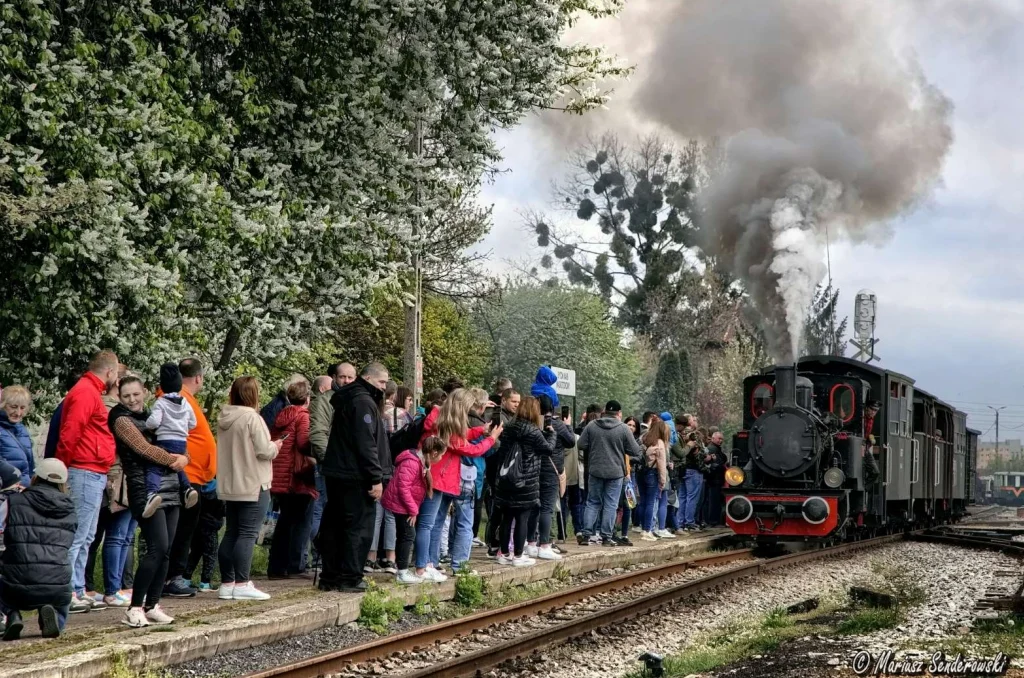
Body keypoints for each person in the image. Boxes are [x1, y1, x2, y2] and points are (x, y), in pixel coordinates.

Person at [110, 376, 189, 628]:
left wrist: (185, 458)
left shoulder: (154, 414)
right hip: (143, 488)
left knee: (166, 550)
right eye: (126, 396)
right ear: (119, 397)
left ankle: (152, 605)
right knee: (157, 547)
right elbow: (144, 449)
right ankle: (134, 608)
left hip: (170, 486)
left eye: (136, 394)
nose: (132, 400)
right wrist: (176, 460)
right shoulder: (120, 419)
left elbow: (178, 436)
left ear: (144, 392)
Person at [415, 388, 501, 581]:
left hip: (442, 480)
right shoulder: (444, 427)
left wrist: (481, 430)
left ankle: (430, 563)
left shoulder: (443, 422)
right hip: (437, 480)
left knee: (435, 523)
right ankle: (424, 565)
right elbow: (470, 449)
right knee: (429, 524)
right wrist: (491, 439)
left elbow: (462, 436)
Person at [57, 350, 120, 614]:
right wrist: (61, 468)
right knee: (78, 534)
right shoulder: (86, 392)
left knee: (87, 535)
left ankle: (79, 588)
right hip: (84, 469)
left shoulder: (89, 391)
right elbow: (71, 431)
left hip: (93, 469)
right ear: (109, 371)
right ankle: (68, 591)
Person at [318, 363, 390, 593]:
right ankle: (349, 577)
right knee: (357, 528)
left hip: (339, 472)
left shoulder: (349, 399)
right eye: (381, 382)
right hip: (355, 475)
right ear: (368, 378)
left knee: (336, 526)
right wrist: (375, 477)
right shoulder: (362, 402)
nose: (384, 387)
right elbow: (366, 443)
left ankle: (331, 576)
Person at [216, 376, 282, 601]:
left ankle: (227, 583)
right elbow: (264, 450)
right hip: (254, 482)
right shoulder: (253, 418)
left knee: (231, 532)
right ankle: (243, 582)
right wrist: (276, 445)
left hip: (231, 483)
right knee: (247, 533)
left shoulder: (224, 417)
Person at [0, 458, 76, 640]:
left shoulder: (13, 501)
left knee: (6, 580)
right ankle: (54, 617)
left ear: (35, 477)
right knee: (62, 586)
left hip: (16, 583)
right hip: (57, 584)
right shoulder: (70, 508)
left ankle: (12, 614)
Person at [165, 358, 219, 597]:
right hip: (187, 474)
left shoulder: (186, 399)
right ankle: (173, 577)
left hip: (194, 473)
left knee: (186, 528)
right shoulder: (179, 399)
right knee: (183, 529)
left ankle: (175, 575)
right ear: (198, 378)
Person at [493, 396, 555, 566]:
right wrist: (551, 434)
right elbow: (548, 449)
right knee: (522, 518)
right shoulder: (533, 431)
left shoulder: (509, 427)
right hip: (526, 481)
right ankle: (518, 556)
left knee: (506, 517)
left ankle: (504, 553)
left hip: (507, 478)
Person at [268, 378, 318, 579]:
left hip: (279, 473)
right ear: (307, 398)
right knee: (298, 522)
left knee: (285, 521)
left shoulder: (281, 415)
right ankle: (293, 565)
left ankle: (276, 566)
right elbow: (304, 443)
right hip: (296, 475)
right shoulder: (303, 416)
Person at [381, 437, 445, 584]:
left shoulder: (421, 462)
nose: (441, 458)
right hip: (399, 504)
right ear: (434, 453)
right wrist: (413, 510)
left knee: (405, 535)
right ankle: (402, 573)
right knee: (408, 535)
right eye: (441, 455)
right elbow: (403, 488)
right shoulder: (411, 462)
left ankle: (401, 570)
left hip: (404, 505)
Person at [575, 401, 639, 546]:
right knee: (611, 504)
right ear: (619, 413)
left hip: (595, 469)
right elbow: (635, 450)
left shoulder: (592, 425)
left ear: (604, 411)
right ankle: (606, 537)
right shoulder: (623, 428)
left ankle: (586, 535)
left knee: (592, 502)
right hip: (616, 472)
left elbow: (581, 444)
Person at [144, 364, 199, 517]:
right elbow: (193, 423)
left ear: (162, 385)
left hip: (165, 440)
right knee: (177, 466)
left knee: (155, 466)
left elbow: (154, 422)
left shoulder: (161, 402)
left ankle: (152, 493)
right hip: (181, 443)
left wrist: (148, 426)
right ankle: (188, 488)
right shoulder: (186, 403)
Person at [527, 395, 574, 560]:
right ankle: (545, 545)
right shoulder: (557, 424)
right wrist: (568, 426)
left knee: (533, 506)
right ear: (552, 408)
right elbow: (571, 442)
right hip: (551, 470)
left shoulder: (531, 423)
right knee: (547, 507)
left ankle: (531, 543)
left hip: (532, 469)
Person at [484, 389, 519, 557]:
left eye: (518, 402)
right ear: (504, 400)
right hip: (497, 466)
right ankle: (493, 541)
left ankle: (499, 542)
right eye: (513, 401)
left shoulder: (511, 416)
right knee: (498, 506)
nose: (516, 405)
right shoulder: (498, 416)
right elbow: (497, 441)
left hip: (504, 466)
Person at [638, 418, 671, 541]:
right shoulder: (659, 443)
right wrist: (663, 481)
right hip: (652, 473)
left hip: (641, 472)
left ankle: (642, 528)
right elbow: (661, 464)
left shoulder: (643, 439)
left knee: (643, 502)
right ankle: (648, 530)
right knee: (651, 503)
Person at [0, 386, 34, 488]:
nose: (18, 413)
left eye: (22, 408)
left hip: (24, 490)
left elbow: (30, 465)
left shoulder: (22, 429)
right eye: (14, 407)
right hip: (7, 490)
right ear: (3, 405)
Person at [703, 431, 727, 526]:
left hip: (716, 479)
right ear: (713, 438)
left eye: (722, 439)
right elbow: (715, 463)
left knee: (714, 500)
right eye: (719, 438)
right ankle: (712, 520)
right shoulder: (712, 449)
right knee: (713, 500)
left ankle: (713, 520)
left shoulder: (716, 449)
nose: (720, 441)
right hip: (714, 479)